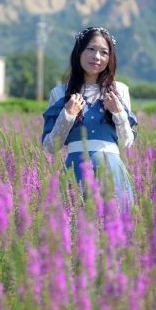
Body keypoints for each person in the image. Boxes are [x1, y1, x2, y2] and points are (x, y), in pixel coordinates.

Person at [41, 26, 137, 208]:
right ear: (79, 52)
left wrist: (118, 113)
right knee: (75, 229)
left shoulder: (120, 91)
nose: (97, 57)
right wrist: (67, 115)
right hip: (75, 173)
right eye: (91, 49)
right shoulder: (60, 93)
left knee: (114, 230)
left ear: (110, 58)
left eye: (104, 52)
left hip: (112, 173)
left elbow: (126, 143)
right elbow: (51, 146)